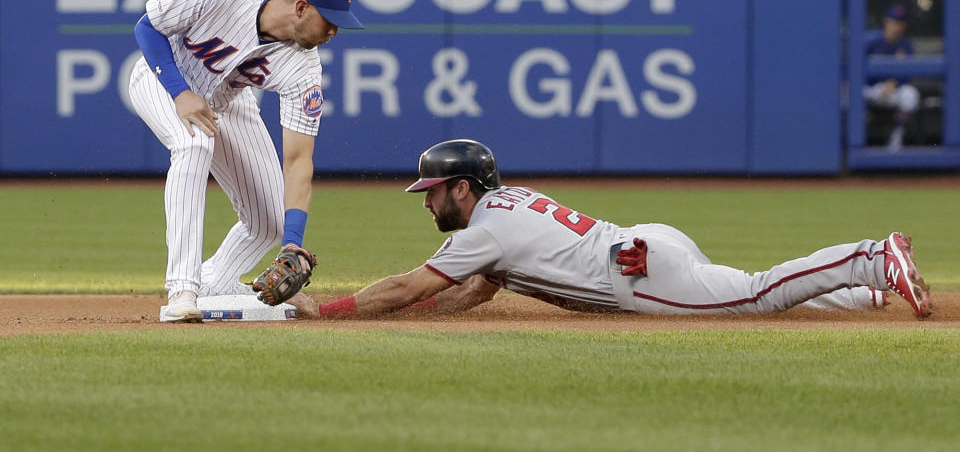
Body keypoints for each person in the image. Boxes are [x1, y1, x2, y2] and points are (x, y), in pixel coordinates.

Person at [290, 139, 932, 321]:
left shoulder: (479, 230)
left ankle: (872, 260)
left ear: (461, 189)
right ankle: (866, 297)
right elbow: (475, 291)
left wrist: (333, 308)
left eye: (431, 192)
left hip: (640, 274)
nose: (425, 204)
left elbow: (406, 285)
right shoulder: (507, 202)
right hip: (650, 242)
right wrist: (421, 313)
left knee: (757, 294)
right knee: (739, 286)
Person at [127, 0, 363, 322]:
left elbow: (299, 161)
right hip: (162, 78)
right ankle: (183, 289)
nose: (334, 31)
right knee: (194, 146)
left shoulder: (305, 70)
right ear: (301, 8)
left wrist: (292, 243)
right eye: (328, 19)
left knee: (269, 219)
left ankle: (212, 284)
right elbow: (148, 28)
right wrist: (181, 92)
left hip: (227, 100)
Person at [863, 4, 921, 151]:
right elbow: (857, 69)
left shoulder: (905, 45)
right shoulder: (870, 41)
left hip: (893, 91)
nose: (896, 27)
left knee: (910, 95)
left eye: (900, 23)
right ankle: (857, 140)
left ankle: (896, 138)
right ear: (886, 22)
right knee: (850, 92)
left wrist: (894, 83)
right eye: (893, 22)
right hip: (871, 89)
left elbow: (908, 74)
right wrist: (880, 84)